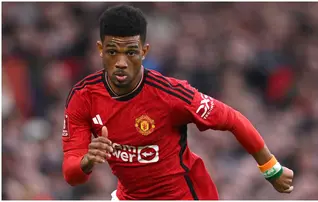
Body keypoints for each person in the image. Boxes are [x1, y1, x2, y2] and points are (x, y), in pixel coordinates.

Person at [62, 4, 294, 200]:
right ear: (100, 50)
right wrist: (87, 161)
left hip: (182, 195)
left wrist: (271, 169)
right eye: (113, 52)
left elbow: (232, 119)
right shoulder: (83, 97)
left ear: (144, 52)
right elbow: (73, 175)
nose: (121, 62)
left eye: (131, 53)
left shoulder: (170, 94)